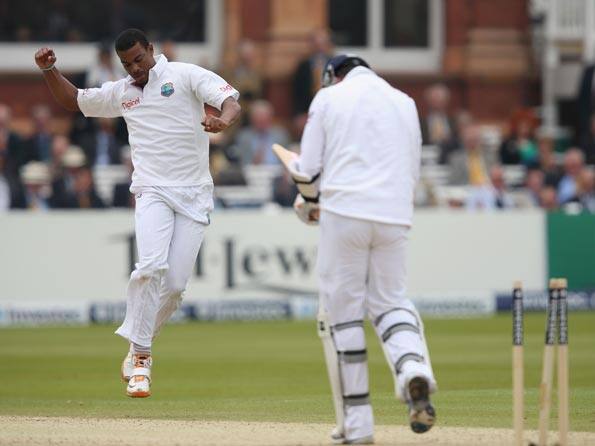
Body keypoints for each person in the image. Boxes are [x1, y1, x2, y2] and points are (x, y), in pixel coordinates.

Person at [35, 28, 241, 398]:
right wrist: (50, 71)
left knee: (175, 287)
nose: (135, 69)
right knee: (149, 267)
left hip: (194, 194)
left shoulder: (185, 75)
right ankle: (142, 360)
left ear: (150, 49)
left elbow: (231, 101)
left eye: (139, 60)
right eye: (127, 64)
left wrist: (223, 120)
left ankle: (136, 343)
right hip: (151, 192)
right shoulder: (123, 92)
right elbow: (75, 101)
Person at [285, 54, 436, 443]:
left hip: (346, 211)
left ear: (333, 76)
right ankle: (412, 369)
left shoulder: (329, 99)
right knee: (390, 302)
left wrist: (308, 201)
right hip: (395, 213)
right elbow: (413, 169)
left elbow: (308, 170)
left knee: (345, 316)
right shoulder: (405, 101)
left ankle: (359, 425)